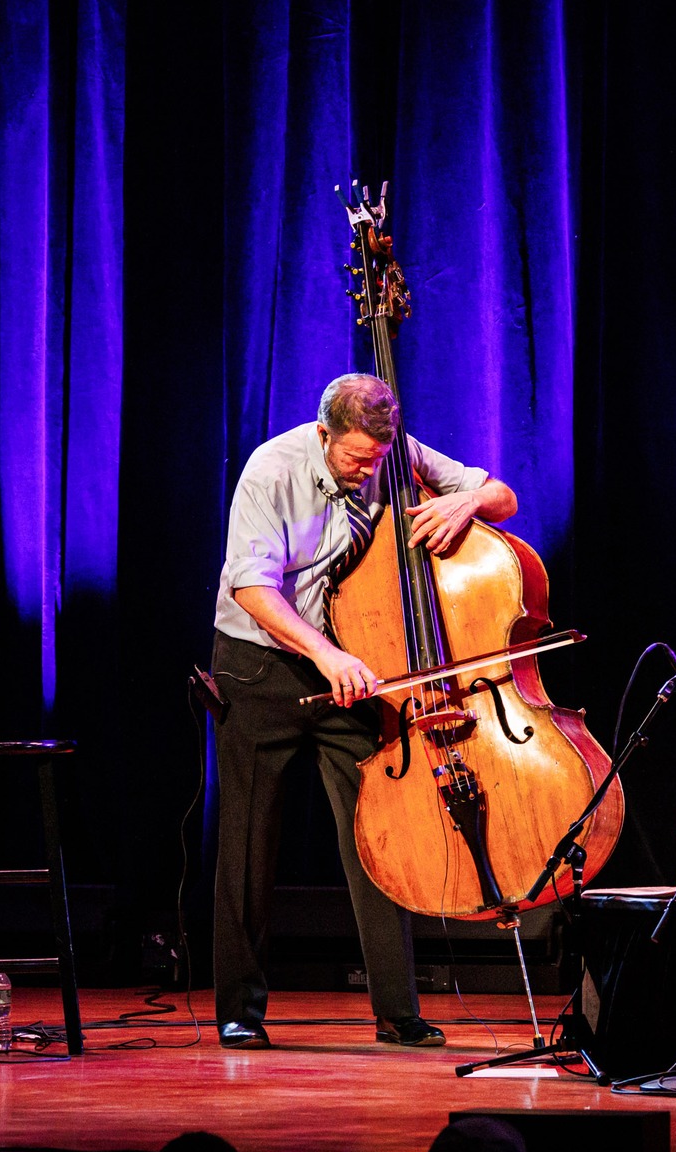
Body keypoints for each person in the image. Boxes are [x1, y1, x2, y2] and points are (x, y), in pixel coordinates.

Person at [212, 373, 519, 1050]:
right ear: (324, 434)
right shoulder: (272, 469)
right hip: (263, 661)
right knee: (249, 838)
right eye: (355, 459)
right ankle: (239, 1008)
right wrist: (326, 657)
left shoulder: (395, 451)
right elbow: (253, 586)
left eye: (375, 460)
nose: (366, 471)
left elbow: (501, 494)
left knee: (379, 831)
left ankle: (395, 1009)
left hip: (355, 666)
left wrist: (464, 504)